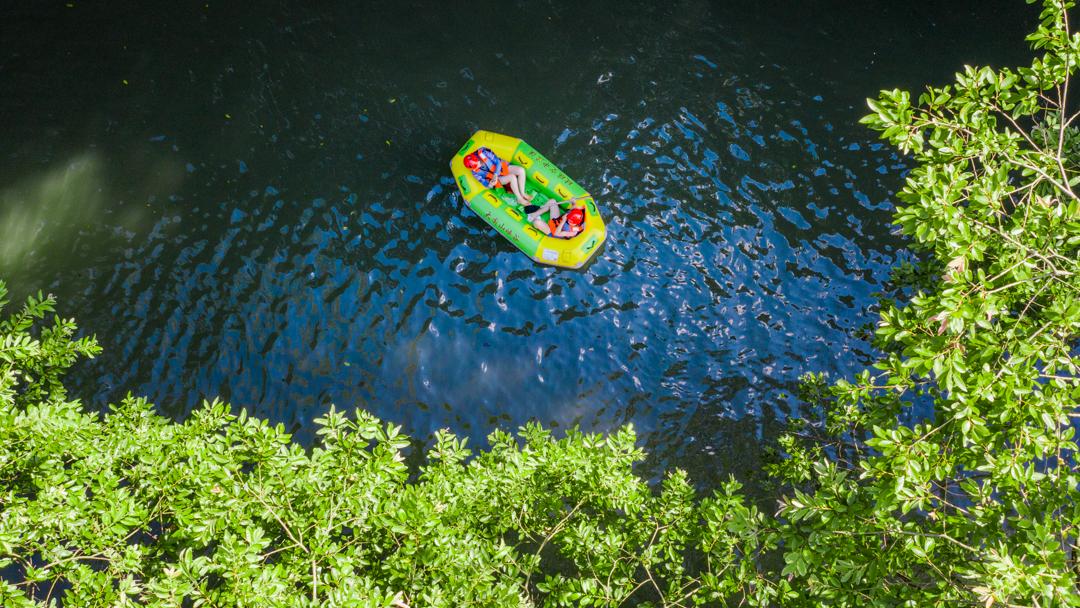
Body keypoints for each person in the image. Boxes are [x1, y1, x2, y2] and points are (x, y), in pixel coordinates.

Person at [463, 147, 533, 206]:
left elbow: (497, 162)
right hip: (496, 180)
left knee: (521, 170)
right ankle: (519, 198)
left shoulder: (484, 152)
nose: (479, 166)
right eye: (476, 167)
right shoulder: (474, 172)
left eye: (478, 164)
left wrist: (495, 174)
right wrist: (491, 184)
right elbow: (485, 183)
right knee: (512, 177)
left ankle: (523, 193)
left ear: (476, 158)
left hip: (501, 168)